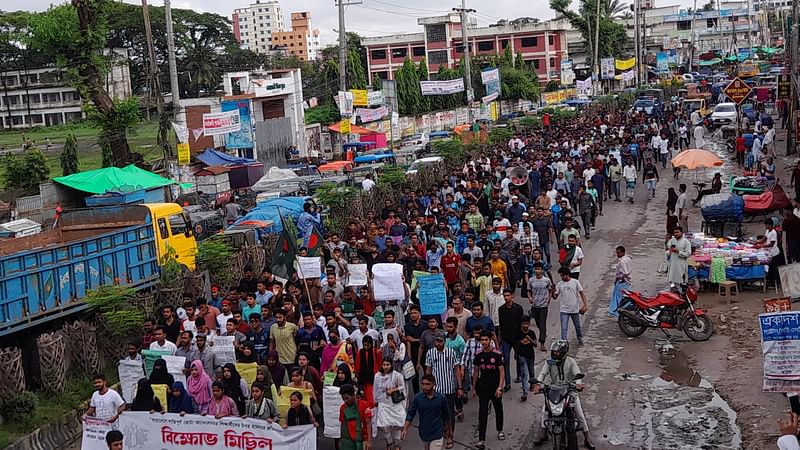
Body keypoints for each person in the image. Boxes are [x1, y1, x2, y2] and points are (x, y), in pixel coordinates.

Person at [533, 340, 595, 449]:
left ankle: (587, 437)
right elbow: (542, 373)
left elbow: (577, 374)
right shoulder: (550, 362)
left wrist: (578, 385)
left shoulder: (571, 362)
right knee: (545, 412)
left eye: (558, 352)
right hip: (554, 391)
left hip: (569, 391)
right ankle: (543, 434)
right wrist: (538, 384)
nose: (555, 354)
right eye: (554, 352)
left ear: (564, 352)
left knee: (580, 414)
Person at [425, 333, 460, 449]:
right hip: (436, 389)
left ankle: (450, 436)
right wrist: (426, 386)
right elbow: (428, 370)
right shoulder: (430, 353)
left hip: (449, 387)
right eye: (437, 341)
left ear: (444, 341)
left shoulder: (451, 353)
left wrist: (459, 387)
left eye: (440, 341)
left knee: (449, 413)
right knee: (437, 413)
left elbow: (456, 370)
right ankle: (440, 433)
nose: (438, 343)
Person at [471, 330, 505, 449]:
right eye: (482, 340)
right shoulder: (478, 355)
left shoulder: (497, 354)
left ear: (490, 341)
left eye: (486, 340)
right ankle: (481, 439)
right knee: (483, 412)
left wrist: (500, 387)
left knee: (498, 409)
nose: (484, 342)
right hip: (483, 387)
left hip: (495, 387)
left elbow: (502, 372)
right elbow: (476, 372)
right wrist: (474, 388)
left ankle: (500, 430)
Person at [402, 374, 450, 450]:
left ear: (434, 384)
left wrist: (449, 432)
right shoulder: (417, 398)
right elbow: (411, 414)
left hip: (437, 433)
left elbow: (447, 415)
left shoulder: (441, 398)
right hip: (424, 433)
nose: (425, 387)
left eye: (428, 384)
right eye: (423, 384)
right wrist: (405, 429)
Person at [374, 357, 406, 450]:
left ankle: (397, 445)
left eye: (387, 365)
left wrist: (393, 390)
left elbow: (402, 387)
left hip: (394, 404)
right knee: (383, 426)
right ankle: (389, 442)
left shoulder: (397, 375)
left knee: (397, 425)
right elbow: (375, 391)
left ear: (391, 365)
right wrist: (375, 402)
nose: (385, 367)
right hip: (383, 403)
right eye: (384, 365)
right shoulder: (378, 376)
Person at [554, 267, 588, 346]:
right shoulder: (559, 284)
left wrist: (585, 305)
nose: (562, 277)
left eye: (563, 276)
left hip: (574, 309)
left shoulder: (575, 282)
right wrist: (553, 292)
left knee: (577, 326)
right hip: (564, 310)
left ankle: (580, 338)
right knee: (564, 328)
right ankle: (564, 343)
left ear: (567, 274)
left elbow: (582, 293)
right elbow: (555, 296)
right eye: (561, 276)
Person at [527, 262, 553, 352]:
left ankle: (542, 342)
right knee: (538, 322)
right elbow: (528, 290)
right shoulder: (531, 280)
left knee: (542, 323)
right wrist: (530, 298)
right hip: (535, 305)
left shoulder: (546, 280)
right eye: (536, 269)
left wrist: (549, 299)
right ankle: (543, 333)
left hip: (543, 305)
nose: (537, 271)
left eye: (539, 269)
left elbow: (550, 290)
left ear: (542, 270)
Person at [338, 384, 372, 450]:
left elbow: (368, 424)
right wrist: (341, 440)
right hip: (348, 441)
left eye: (347, 398)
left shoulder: (364, 405)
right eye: (343, 399)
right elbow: (342, 425)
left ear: (353, 395)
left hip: (363, 440)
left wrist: (369, 441)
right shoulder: (342, 408)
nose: (345, 401)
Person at [515, 316, 537, 402]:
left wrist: (530, 339)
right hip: (521, 356)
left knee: (531, 372)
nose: (525, 325)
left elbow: (535, 344)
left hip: (530, 355)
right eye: (523, 323)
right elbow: (516, 345)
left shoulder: (531, 333)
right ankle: (525, 392)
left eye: (527, 323)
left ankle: (532, 384)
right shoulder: (518, 333)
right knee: (524, 373)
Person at [355, 335, 382, 404]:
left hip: (373, 381)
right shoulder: (359, 353)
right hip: (363, 381)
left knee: (372, 400)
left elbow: (380, 365)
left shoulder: (376, 352)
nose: (366, 346)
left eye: (368, 345)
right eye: (365, 345)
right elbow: (357, 366)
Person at [609, 246, 632, 317]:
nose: (617, 254)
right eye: (617, 253)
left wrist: (620, 276)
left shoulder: (622, 261)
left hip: (622, 282)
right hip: (627, 281)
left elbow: (625, 272)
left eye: (618, 253)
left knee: (620, 298)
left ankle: (620, 312)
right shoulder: (628, 259)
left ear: (623, 252)